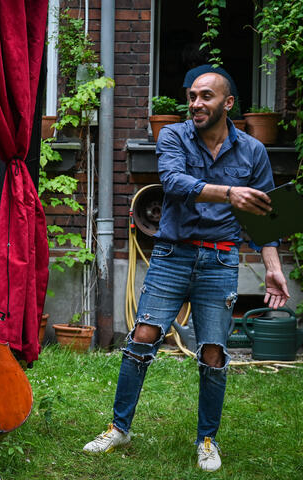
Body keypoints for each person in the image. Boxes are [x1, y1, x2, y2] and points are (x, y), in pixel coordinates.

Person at [82, 73, 289, 472]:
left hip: (221, 260)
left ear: (227, 104)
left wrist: (273, 269)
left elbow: (266, 220)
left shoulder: (252, 152)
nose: (195, 103)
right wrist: (230, 193)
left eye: (206, 97)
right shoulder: (174, 137)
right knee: (143, 336)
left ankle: (207, 439)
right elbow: (174, 183)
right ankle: (119, 427)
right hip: (172, 256)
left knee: (213, 352)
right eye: (192, 96)